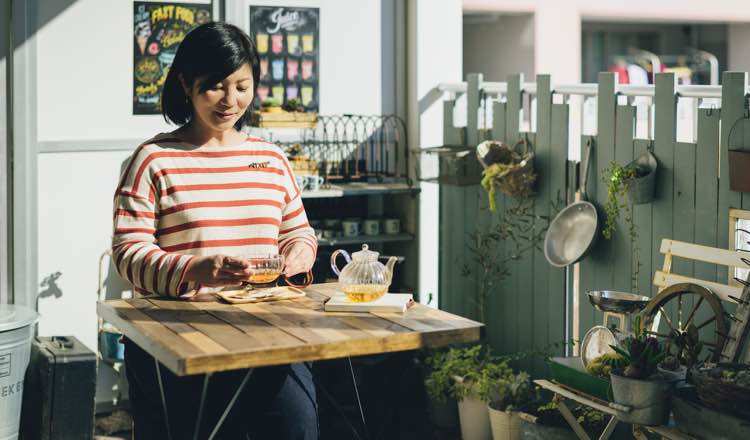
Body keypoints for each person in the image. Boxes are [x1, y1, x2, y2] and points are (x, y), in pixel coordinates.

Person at [112, 22, 318, 439]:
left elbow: (299, 231)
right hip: (183, 340)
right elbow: (128, 254)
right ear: (186, 83)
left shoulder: (270, 158)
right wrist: (195, 269)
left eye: (242, 86)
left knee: (297, 427)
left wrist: (299, 253)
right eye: (215, 86)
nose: (231, 101)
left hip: (268, 333)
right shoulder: (153, 159)